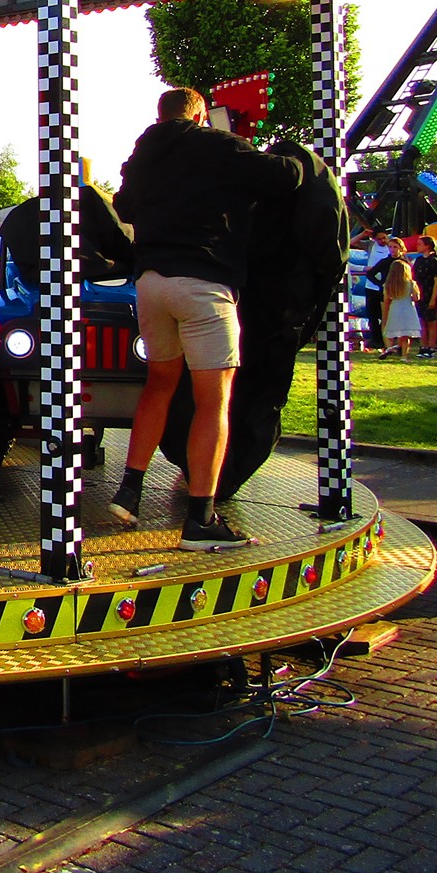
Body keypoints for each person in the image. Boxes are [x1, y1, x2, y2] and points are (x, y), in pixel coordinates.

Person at [109, 87, 306, 550]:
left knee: (159, 384)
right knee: (212, 401)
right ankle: (201, 517)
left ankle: (129, 492)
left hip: (151, 282)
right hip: (204, 284)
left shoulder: (143, 155)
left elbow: (123, 206)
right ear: (200, 115)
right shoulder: (217, 144)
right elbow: (287, 177)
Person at [380, 245, 421, 359]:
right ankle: (404, 356)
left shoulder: (388, 285)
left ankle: (390, 347)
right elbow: (416, 297)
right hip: (408, 308)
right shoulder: (411, 283)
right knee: (406, 335)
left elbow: (387, 299)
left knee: (389, 331)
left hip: (395, 308)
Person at [411, 235, 437, 357]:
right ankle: (423, 346)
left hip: (430, 292)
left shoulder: (434, 260)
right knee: (421, 321)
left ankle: (431, 347)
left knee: (432, 321)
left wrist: (433, 298)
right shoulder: (419, 260)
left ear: (427, 246)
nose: (417, 246)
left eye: (420, 244)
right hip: (420, 293)